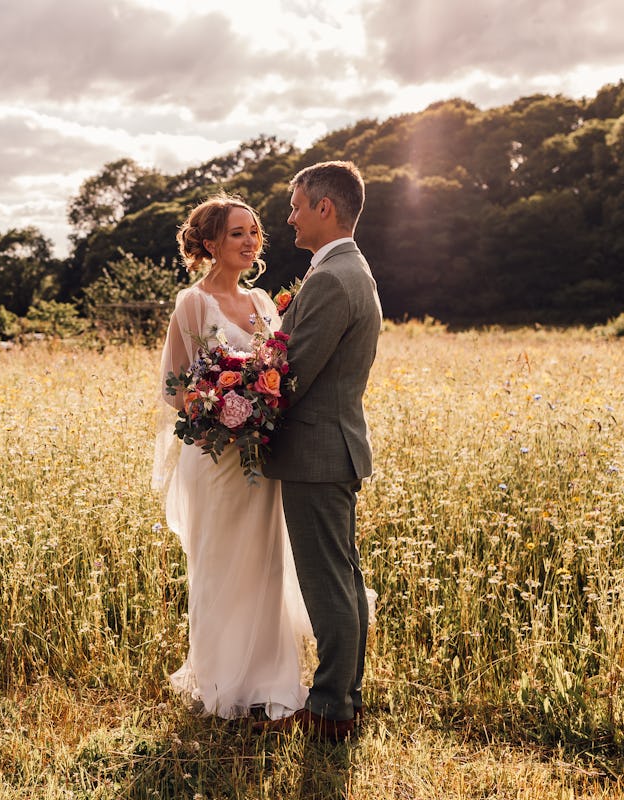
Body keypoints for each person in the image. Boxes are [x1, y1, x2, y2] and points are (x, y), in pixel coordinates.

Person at [154, 193, 314, 721]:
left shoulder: (267, 303)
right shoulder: (193, 304)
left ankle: (269, 679)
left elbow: (281, 373)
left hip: (262, 456)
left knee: (264, 565)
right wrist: (218, 410)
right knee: (219, 564)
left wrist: (261, 407)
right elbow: (175, 386)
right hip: (216, 457)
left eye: (254, 232)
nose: (250, 242)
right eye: (237, 234)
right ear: (210, 244)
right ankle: (221, 682)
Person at [260, 161, 382, 741]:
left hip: (317, 450)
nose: (290, 217)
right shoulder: (348, 270)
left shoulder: (332, 279)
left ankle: (332, 707)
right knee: (343, 576)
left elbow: (293, 374)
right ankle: (345, 696)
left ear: (324, 208)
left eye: (296, 205)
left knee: (327, 581)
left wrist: (240, 402)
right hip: (331, 446)